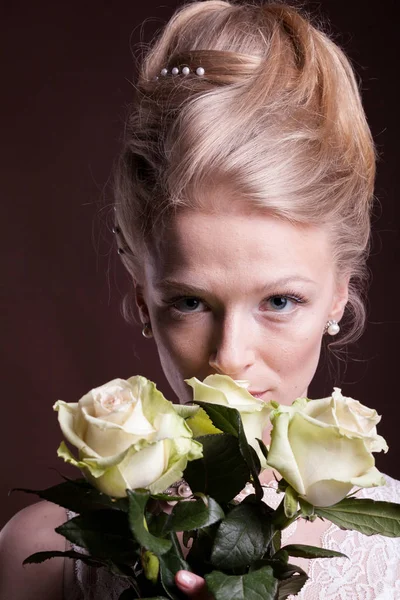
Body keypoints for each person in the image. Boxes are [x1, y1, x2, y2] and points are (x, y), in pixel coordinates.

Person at [1, 1, 399, 598]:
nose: (229, 358)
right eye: (189, 303)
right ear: (142, 297)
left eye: (281, 301)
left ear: (341, 293)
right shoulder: (44, 555)